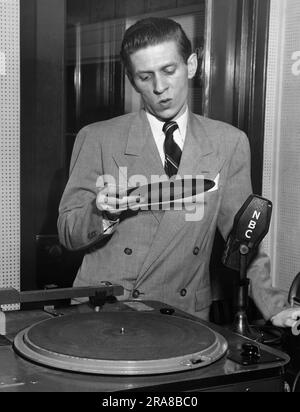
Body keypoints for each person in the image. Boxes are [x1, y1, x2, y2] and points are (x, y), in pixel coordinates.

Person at [58, 17, 300, 328]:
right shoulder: (98, 138)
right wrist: (102, 214)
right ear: (132, 81)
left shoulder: (228, 143)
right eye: (145, 77)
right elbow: (67, 231)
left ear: (192, 65)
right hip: (106, 312)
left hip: (182, 314)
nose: (159, 88)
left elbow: (243, 242)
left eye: (169, 71)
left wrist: (275, 306)